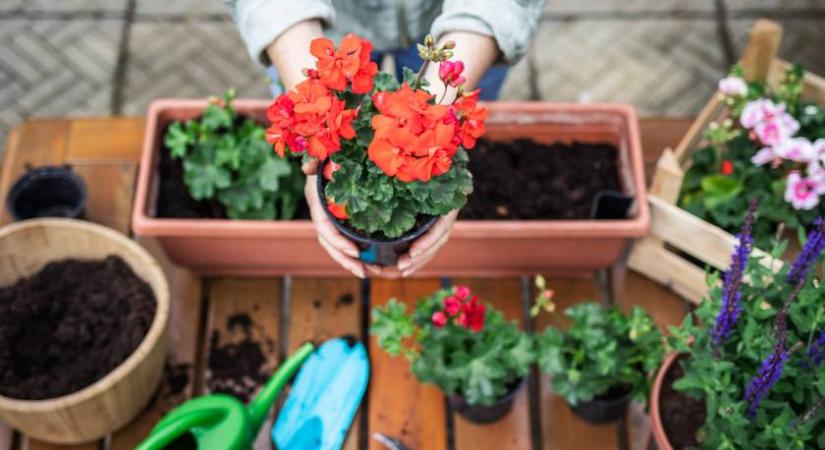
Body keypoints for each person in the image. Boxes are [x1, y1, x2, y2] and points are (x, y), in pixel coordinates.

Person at [227, 0, 545, 278]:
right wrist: (316, 125)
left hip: (467, 30)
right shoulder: (335, 88)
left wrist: (435, 122)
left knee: (453, 110)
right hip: (319, 28)